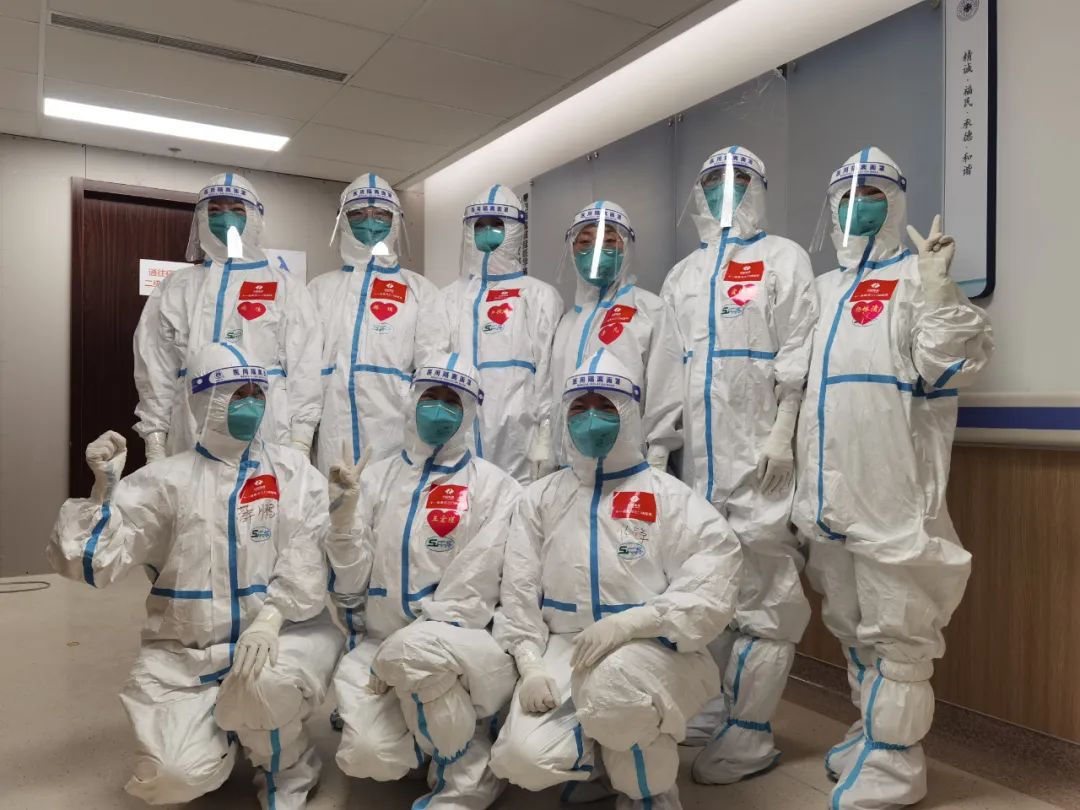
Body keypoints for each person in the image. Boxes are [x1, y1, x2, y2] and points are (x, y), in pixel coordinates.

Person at [48, 342, 341, 810]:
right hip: (185, 657)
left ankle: (288, 768)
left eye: (257, 393)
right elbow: (89, 563)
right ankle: (221, 735)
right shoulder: (165, 481)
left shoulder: (293, 474)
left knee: (263, 687)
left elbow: (309, 554)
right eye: (237, 394)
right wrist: (102, 491)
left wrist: (271, 618)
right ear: (205, 400)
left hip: (279, 637)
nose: (250, 404)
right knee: (171, 780)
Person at [792, 147, 994, 810]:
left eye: (873, 192)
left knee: (898, 626)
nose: (859, 205)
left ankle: (899, 763)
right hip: (828, 491)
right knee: (850, 621)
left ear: (897, 199)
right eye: (847, 195)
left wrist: (938, 289)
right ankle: (872, 732)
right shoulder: (823, 289)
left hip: (892, 491)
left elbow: (950, 366)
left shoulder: (916, 277)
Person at [489, 350, 743, 810]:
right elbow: (519, 591)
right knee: (522, 758)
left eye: (605, 407)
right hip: (568, 648)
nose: (591, 419)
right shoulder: (541, 499)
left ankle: (651, 794)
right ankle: (603, 764)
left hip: (654, 648)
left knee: (615, 691)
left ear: (629, 414)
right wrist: (530, 665)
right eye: (580, 408)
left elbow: (713, 574)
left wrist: (634, 623)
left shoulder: (669, 498)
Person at [660, 146, 818, 783]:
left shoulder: (784, 257)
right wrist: (659, 449)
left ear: (759, 188)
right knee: (709, 583)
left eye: (738, 181)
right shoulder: (684, 274)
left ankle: (751, 731)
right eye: (712, 183)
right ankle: (714, 707)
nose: (724, 192)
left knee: (766, 591)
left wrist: (783, 430)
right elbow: (669, 368)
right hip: (699, 467)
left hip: (760, 461)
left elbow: (798, 346)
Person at [328, 353, 522, 809]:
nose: (438, 410)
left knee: (424, 669)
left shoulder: (496, 489)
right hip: (380, 644)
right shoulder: (376, 479)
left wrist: (408, 647)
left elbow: (472, 592)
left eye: (452, 401)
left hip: (456, 648)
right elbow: (350, 586)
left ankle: (467, 772)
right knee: (367, 755)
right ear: (411, 401)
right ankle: (427, 738)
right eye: (430, 397)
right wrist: (343, 521)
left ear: (470, 411)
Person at [134, 172, 323, 462]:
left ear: (255, 217)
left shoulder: (285, 286)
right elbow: (155, 366)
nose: (225, 218)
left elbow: (304, 367)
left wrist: (300, 444)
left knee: (258, 488)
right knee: (193, 489)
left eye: (236, 209)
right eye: (214, 211)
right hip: (190, 423)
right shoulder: (176, 286)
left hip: (264, 420)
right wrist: (155, 443)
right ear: (200, 219)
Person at [309, 173, 449, 474]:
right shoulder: (319, 290)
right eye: (358, 214)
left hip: (395, 428)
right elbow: (304, 367)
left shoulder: (419, 290)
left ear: (396, 221)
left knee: (389, 497)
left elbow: (432, 365)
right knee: (333, 498)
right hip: (333, 426)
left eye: (381, 215)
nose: (370, 223)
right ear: (342, 221)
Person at [439, 185, 564, 485]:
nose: (487, 232)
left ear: (515, 230)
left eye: (496, 224)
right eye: (479, 225)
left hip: (519, 442)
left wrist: (546, 436)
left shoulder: (538, 295)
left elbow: (549, 370)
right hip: (458, 440)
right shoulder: (448, 298)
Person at [551, 201, 683, 472]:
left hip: (631, 465)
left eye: (609, 241)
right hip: (572, 469)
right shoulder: (566, 322)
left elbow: (666, 384)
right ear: (572, 249)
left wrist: (659, 452)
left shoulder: (648, 310)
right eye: (584, 242)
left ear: (626, 247)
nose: (596, 250)